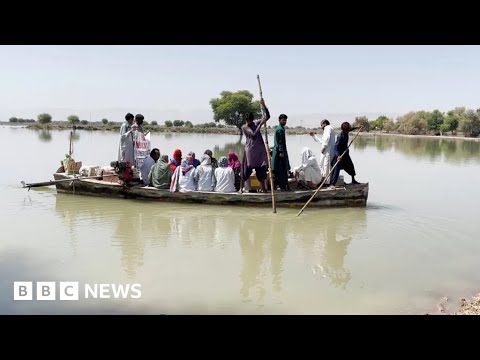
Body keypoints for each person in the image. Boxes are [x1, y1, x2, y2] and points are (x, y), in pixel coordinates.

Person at [241, 98, 270, 192]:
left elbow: (267, 116)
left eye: (250, 120)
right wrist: (260, 124)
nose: (249, 122)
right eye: (247, 120)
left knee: (261, 170)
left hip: (259, 151)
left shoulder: (256, 123)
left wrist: (264, 105)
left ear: (252, 119)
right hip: (250, 151)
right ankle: (241, 188)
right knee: (246, 170)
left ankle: (263, 189)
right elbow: (253, 134)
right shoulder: (244, 127)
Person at [330, 122, 361, 187]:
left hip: (345, 154)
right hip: (340, 155)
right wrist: (338, 155)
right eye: (349, 127)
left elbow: (351, 129)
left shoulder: (346, 132)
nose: (350, 128)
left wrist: (358, 127)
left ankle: (353, 180)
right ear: (346, 129)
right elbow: (336, 147)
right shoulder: (340, 136)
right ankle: (332, 184)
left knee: (351, 166)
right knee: (336, 169)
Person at [310, 119, 336, 186]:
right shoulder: (328, 129)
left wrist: (324, 147)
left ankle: (327, 182)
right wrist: (314, 136)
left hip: (328, 151)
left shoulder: (328, 128)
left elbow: (326, 139)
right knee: (323, 165)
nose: (321, 127)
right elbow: (322, 141)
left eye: (321, 125)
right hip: (327, 150)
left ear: (324, 124)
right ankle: (325, 180)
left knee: (327, 166)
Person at [271, 114, 291, 191]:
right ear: (279, 120)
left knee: (279, 169)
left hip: (279, 152)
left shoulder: (281, 128)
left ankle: (280, 186)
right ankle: (282, 187)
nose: (284, 121)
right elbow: (279, 142)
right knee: (281, 169)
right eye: (283, 120)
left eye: (285, 120)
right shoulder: (280, 129)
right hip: (279, 154)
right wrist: (281, 151)